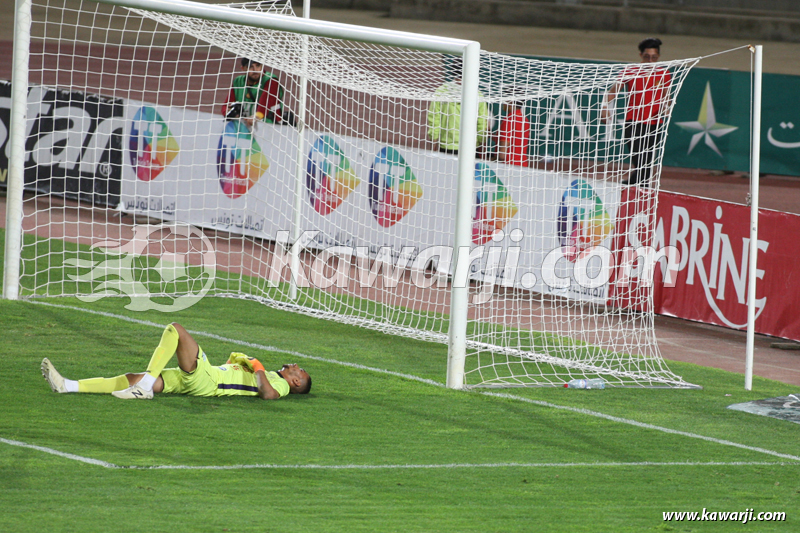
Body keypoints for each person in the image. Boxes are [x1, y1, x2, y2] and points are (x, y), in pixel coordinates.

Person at [41, 323, 311, 400]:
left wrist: (256, 364)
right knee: (132, 377)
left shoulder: (280, 385)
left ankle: (144, 387)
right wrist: (236, 361)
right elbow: (234, 375)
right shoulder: (266, 374)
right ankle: (68, 385)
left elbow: (268, 394)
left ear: (296, 382)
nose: (295, 365)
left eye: (300, 370)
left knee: (176, 330)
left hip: (209, 382)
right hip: (207, 378)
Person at [602, 37, 672, 187]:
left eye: (654, 57)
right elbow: (613, 91)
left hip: (654, 123)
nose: (650, 61)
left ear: (658, 57)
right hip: (633, 122)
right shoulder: (630, 71)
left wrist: (665, 108)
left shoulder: (664, 74)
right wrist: (604, 107)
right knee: (639, 159)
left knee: (646, 161)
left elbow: (666, 98)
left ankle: (634, 184)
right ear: (640, 55)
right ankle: (638, 186)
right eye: (647, 57)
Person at [427, 58, 490, 155]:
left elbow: (434, 118)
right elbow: (482, 121)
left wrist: (434, 141)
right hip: (470, 146)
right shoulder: (477, 94)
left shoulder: (441, 91)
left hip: (446, 145)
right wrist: (482, 143)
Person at [222, 58, 294, 129]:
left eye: (258, 66)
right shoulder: (238, 81)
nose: (255, 70)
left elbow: (265, 102)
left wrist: (256, 116)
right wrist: (228, 112)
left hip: (271, 126)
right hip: (245, 126)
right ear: (243, 68)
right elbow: (226, 104)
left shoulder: (271, 80)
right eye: (251, 67)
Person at [496, 99, 531, 166]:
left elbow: (502, 155)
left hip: (508, 166)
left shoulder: (509, 120)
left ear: (511, 102)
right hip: (522, 165)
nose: (503, 103)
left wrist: (489, 161)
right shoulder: (524, 119)